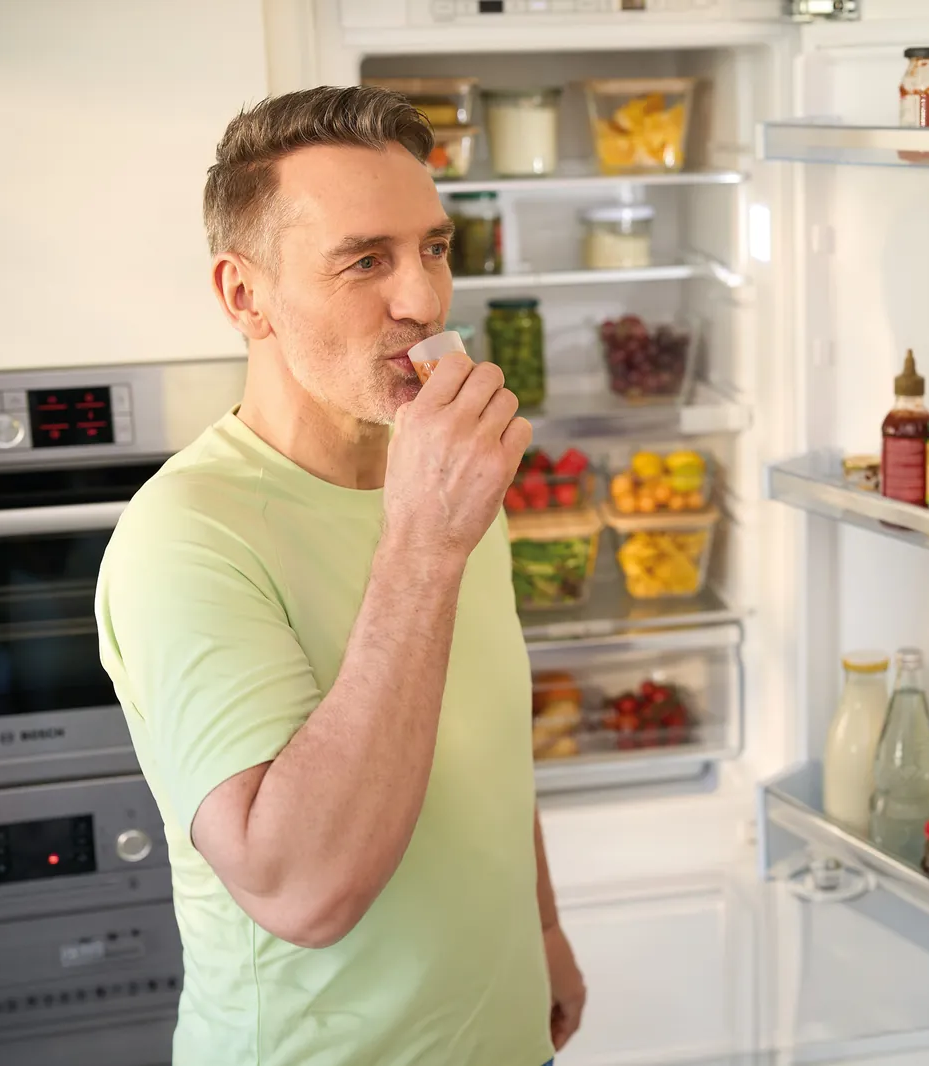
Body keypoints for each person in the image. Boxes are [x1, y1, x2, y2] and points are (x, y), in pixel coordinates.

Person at [94, 85, 586, 1066]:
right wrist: (423, 547)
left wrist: (540, 928)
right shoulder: (185, 537)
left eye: (433, 249)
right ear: (245, 296)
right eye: (366, 261)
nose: (424, 300)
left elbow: (481, 736)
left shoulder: (439, 474)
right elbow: (300, 893)